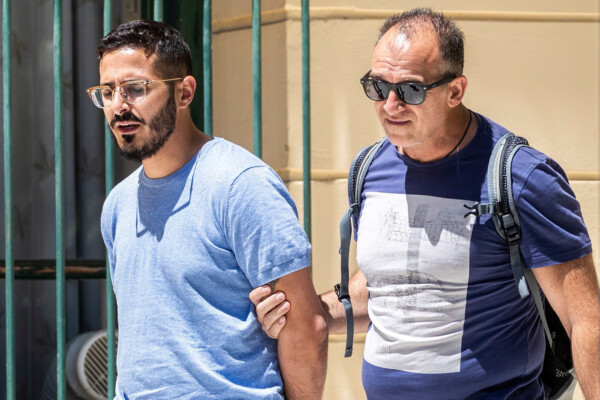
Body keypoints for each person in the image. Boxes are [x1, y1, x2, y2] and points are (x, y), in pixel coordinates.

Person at [250, 8, 600, 400]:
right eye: (378, 86)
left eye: (410, 90)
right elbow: (391, 286)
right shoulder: (367, 169)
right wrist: (303, 314)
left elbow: (586, 321)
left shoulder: (521, 178)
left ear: (455, 91)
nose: (390, 105)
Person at [90, 20, 327, 400]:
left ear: (184, 93)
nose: (119, 106)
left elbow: (306, 326)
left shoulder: (241, 185)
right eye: (107, 92)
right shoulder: (118, 205)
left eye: (135, 88)